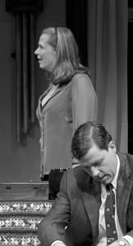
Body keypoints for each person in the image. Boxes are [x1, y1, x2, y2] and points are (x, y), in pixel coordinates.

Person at [34, 27, 97, 194]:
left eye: (41, 47)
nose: (36, 52)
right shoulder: (53, 88)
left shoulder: (79, 82)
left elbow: (85, 135)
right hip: (50, 176)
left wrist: (77, 179)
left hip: (71, 177)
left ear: (58, 51)